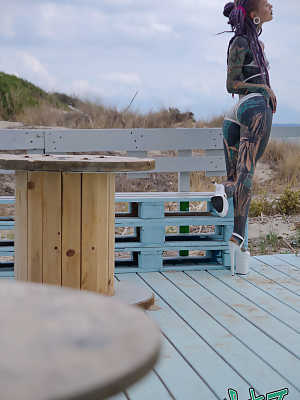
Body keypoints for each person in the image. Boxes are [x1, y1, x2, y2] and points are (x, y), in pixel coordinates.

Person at [212, 0, 276, 273]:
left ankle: (223, 195)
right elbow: (231, 84)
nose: (271, 5)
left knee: (236, 178)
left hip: (234, 115)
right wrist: (264, 88)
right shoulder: (241, 41)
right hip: (253, 107)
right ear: (254, 16)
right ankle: (238, 236)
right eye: (265, 4)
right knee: (247, 172)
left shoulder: (249, 42)